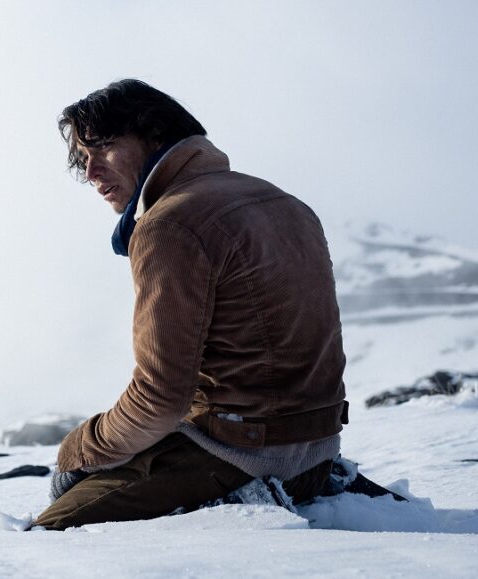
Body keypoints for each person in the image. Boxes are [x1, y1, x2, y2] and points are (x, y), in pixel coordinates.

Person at [32, 80, 348, 530]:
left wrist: (79, 448)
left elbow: (159, 398)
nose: (92, 173)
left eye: (103, 148)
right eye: (84, 159)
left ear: (155, 133)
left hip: (240, 453)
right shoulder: (286, 202)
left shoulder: (169, 224)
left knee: (49, 534)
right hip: (317, 452)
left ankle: (237, 504)